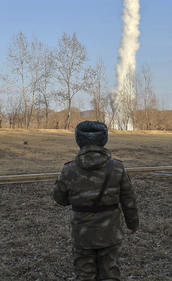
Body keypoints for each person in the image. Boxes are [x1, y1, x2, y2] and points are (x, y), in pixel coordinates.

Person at [53, 120, 139, 281]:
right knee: (110, 273)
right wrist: (133, 224)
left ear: (78, 140)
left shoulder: (69, 169)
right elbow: (129, 200)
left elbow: (59, 198)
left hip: (82, 232)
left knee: (84, 274)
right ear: (104, 139)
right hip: (111, 231)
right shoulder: (118, 168)